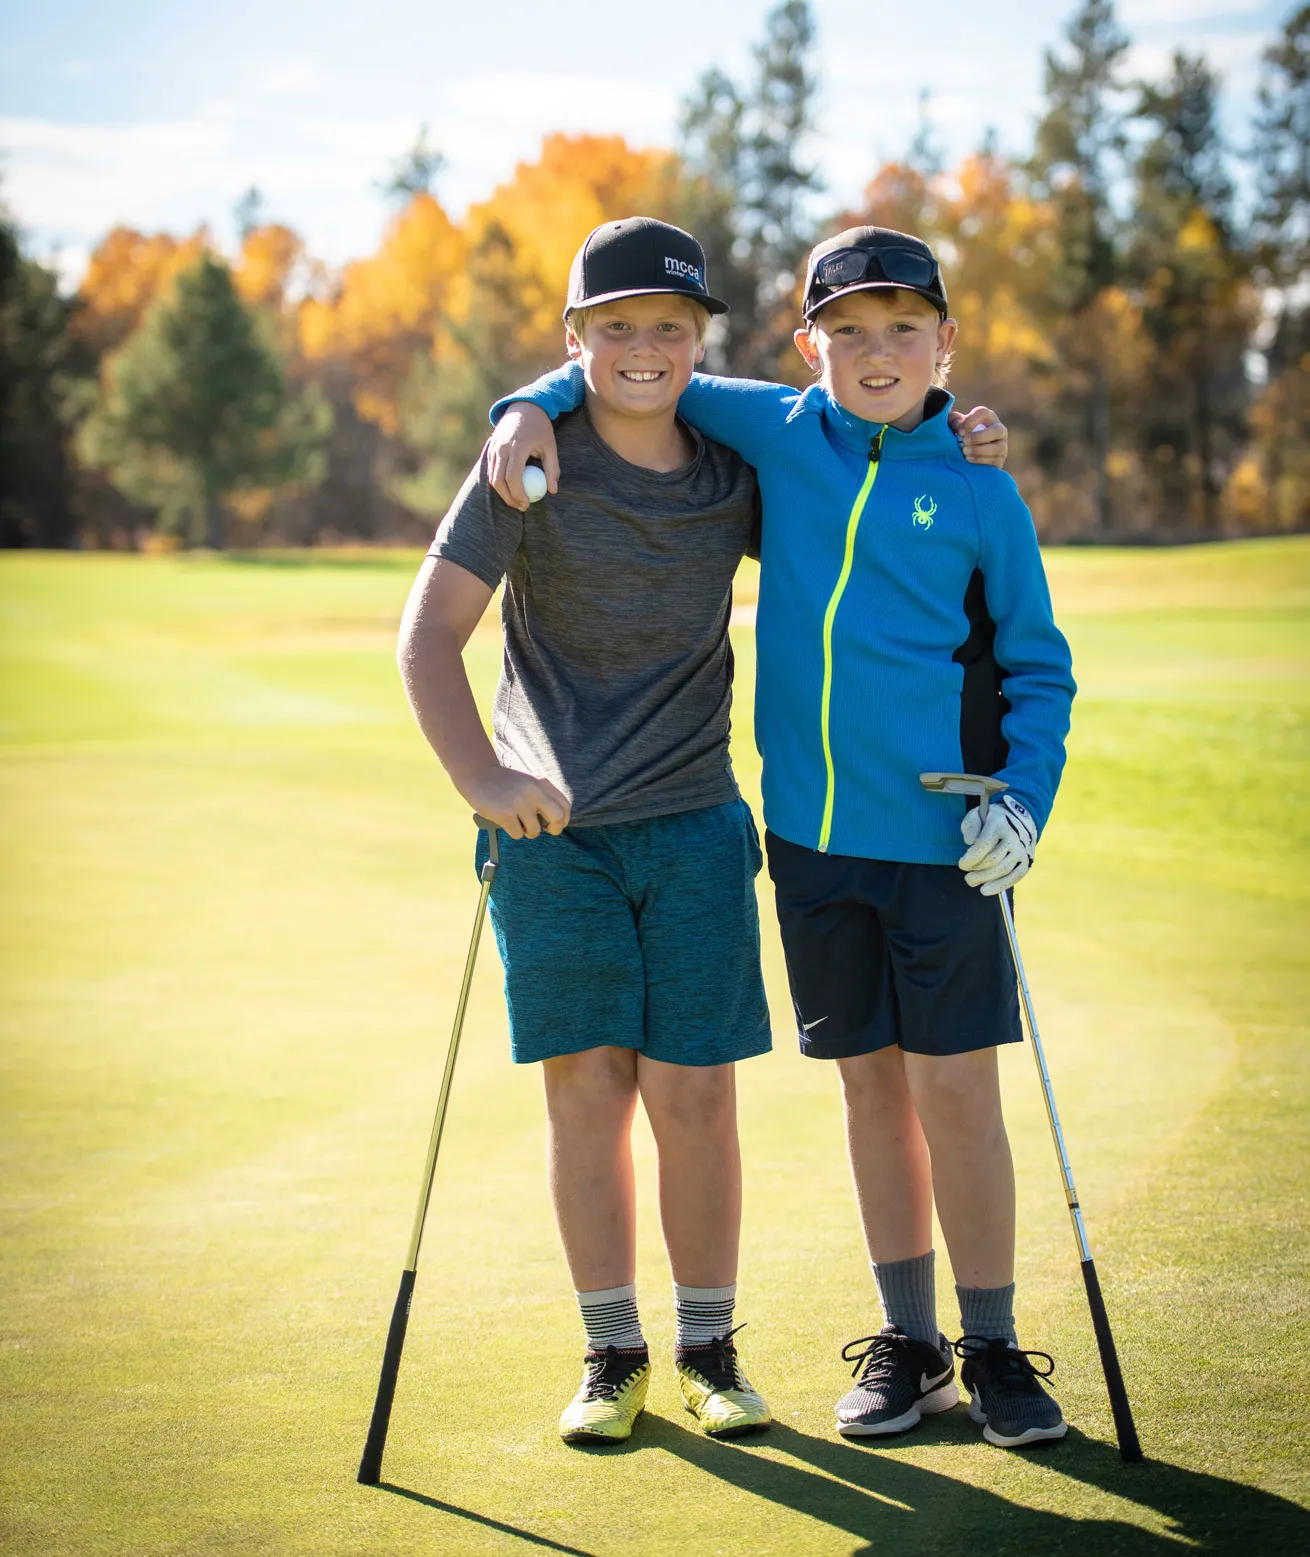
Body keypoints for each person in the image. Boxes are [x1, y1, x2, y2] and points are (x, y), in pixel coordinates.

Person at [487, 225, 1075, 1450]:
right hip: (808, 843)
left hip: (949, 837)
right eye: (846, 331)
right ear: (806, 346)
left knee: (957, 1092)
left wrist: (1025, 796)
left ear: (945, 343)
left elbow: (1036, 666)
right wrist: (518, 405)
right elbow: (620, 369)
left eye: (902, 328)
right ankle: (908, 1347)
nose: (874, 352)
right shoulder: (775, 428)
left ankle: (995, 1346)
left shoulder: (979, 487)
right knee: (870, 1091)